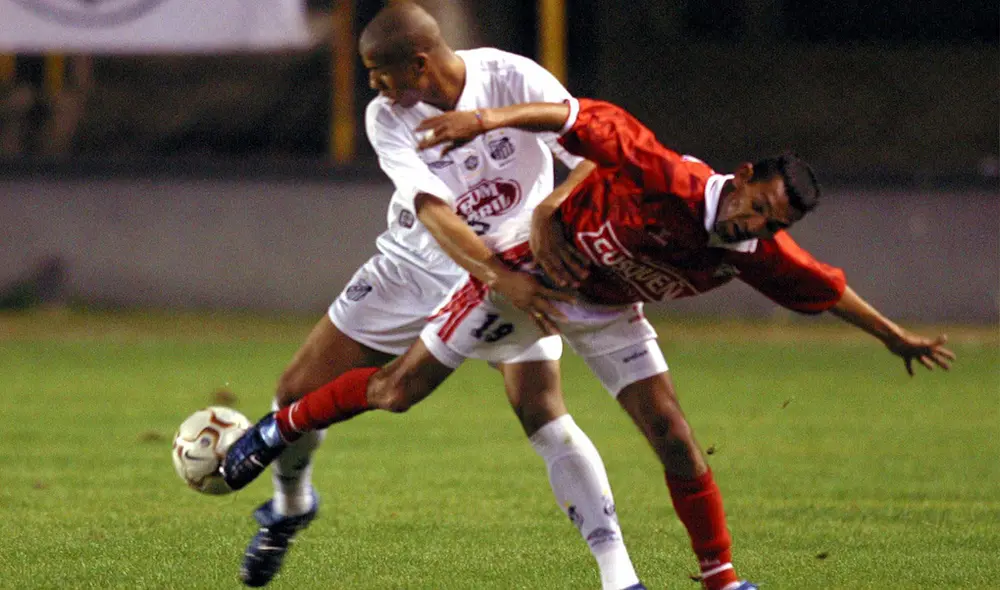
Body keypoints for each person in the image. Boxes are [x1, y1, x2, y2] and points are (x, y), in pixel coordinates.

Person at [224, 97, 956, 590]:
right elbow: (581, 118)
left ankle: (720, 579)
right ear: (742, 181)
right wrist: (492, 129)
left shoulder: (757, 253)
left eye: (770, 224)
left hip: (608, 308)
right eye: (755, 209)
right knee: (396, 392)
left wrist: (894, 338)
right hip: (534, 280)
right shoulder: (668, 177)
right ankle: (279, 425)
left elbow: (827, 288)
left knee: (672, 434)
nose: (754, 227)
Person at [233, 3, 646, 590]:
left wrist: (547, 213)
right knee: (295, 393)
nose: (373, 86)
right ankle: (291, 503)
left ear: (419, 63)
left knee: (543, 411)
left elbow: (591, 156)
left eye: (379, 71)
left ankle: (620, 577)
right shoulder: (387, 117)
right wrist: (501, 278)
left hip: (512, 266)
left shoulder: (511, 76)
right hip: (414, 267)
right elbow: (433, 212)